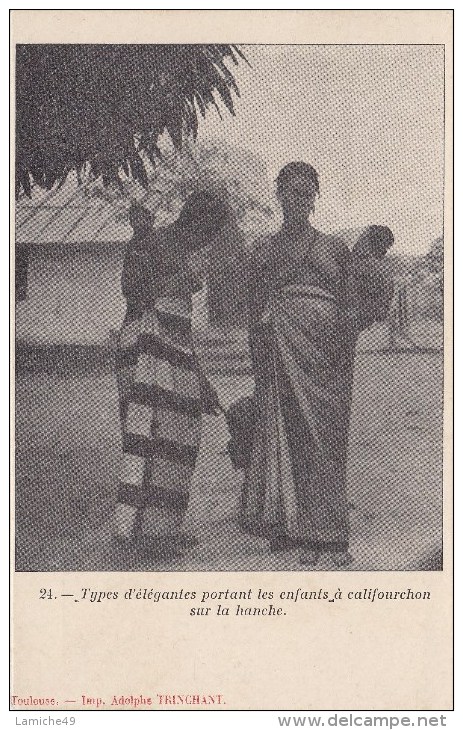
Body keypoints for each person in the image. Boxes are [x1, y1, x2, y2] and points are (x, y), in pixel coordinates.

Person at [241, 161, 356, 568]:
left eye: (308, 194)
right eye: (292, 193)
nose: (300, 201)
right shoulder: (263, 249)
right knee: (285, 436)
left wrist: (341, 349)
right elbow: (254, 306)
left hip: (325, 358)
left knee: (324, 440)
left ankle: (330, 535)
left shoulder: (333, 248)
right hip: (279, 353)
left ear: (315, 200)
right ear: (279, 195)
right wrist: (258, 352)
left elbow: (350, 307)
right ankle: (290, 527)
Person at [111, 192, 230, 558]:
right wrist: (180, 279)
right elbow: (133, 292)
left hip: (174, 356)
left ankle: (161, 532)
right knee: (149, 440)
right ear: (194, 221)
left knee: (180, 444)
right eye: (207, 233)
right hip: (145, 351)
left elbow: (181, 326)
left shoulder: (186, 250)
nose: (208, 243)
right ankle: (135, 538)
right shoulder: (154, 242)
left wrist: (200, 380)